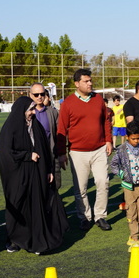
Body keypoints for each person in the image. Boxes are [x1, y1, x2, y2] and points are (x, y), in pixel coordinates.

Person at [0, 96, 68, 254]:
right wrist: (27, 156)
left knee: (38, 205)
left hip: (37, 173)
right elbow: (6, 153)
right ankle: (15, 239)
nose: (32, 112)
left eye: (33, 109)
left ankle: (37, 240)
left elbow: (44, 150)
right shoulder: (11, 128)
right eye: (30, 109)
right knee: (18, 204)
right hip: (18, 176)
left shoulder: (36, 125)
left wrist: (49, 170)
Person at [55, 69, 113, 232]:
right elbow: (62, 129)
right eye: (86, 81)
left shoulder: (98, 99)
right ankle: (85, 217)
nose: (90, 83)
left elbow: (106, 122)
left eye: (90, 80)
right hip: (77, 152)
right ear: (77, 83)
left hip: (99, 149)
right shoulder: (67, 103)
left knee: (103, 182)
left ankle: (100, 216)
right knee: (80, 188)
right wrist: (61, 153)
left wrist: (108, 140)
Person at [109, 121, 139, 250]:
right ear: (127, 137)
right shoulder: (121, 150)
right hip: (128, 187)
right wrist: (122, 174)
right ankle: (135, 237)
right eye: (133, 139)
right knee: (131, 212)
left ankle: (135, 235)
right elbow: (113, 165)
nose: (136, 141)